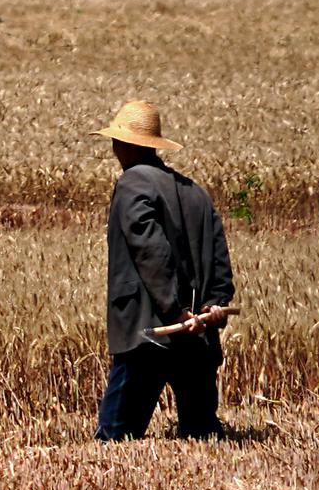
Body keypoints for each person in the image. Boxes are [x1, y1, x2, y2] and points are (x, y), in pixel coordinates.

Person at [91, 100, 236, 441]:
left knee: (116, 438)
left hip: (150, 328)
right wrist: (214, 302)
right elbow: (218, 252)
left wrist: (174, 308)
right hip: (197, 332)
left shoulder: (133, 183)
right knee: (201, 434)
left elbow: (150, 251)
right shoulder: (195, 191)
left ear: (124, 144)